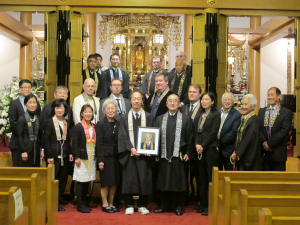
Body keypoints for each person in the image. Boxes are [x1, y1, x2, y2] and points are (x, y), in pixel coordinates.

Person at [154, 94, 193, 216]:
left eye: (174, 101)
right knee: (163, 181)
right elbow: (155, 138)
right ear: (166, 104)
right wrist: (156, 152)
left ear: (179, 103)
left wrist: (188, 153)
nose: (172, 103)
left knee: (178, 182)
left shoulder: (186, 119)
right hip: (164, 155)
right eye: (169, 101)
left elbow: (190, 138)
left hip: (179, 156)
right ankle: (164, 205)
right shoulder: (160, 119)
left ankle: (178, 206)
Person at [118, 90, 154, 215]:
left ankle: (143, 204)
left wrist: (149, 150)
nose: (137, 101)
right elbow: (122, 135)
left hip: (144, 155)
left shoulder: (148, 117)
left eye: (139, 99)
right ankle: (129, 204)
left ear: (142, 101)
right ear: (130, 101)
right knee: (128, 180)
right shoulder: (124, 117)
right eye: (134, 99)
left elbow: (152, 135)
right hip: (129, 154)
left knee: (144, 179)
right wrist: (130, 148)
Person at [44, 99, 73, 212]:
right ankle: (53, 202)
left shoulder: (66, 122)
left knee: (63, 179)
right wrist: (49, 155)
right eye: (57, 108)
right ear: (54, 109)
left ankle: (59, 198)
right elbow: (46, 140)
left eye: (62, 108)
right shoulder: (49, 122)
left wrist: (70, 152)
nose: (59, 110)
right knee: (54, 180)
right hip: (54, 157)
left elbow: (68, 140)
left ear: (65, 109)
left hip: (64, 156)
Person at [195, 92, 221, 215]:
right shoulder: (199, 113)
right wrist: (197, 144)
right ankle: (202, 202)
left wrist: (202, 146)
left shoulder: (216, 114)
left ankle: (210, 205)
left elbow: (213, 133)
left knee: (210, 178)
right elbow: (195, 131)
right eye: (202, 99)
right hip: (199, 148)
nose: (204, 101)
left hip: (210, 149)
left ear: (212, 101)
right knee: (201, 178)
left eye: (207, 99)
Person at [9, 79, 42, 166]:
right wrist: (25, 136)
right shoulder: (14, 103)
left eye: (29, 87)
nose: (27, 89)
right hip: (18, 142)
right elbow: (13, 123)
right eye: (25, 87)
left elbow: (38, 120)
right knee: (19, 171)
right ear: (19, 89)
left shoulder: (36, 104)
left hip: (33, 144)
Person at [258, 87, 292, 171]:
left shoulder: (286, 112)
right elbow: (258, 129)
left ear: (279, 96)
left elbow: (284, 131)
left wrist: (270, 143)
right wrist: (265, 143)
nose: (270, 97)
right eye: (268, 95)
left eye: (272, 95)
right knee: (264, 180)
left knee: (278, 181)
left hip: (278, 152)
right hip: (264, 152)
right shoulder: (262, 111)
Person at [96, 99, 121, 213]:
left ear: (116, 110)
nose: (111, 110)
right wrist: (100, 160)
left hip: (116, 156)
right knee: (106, 182)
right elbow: (99, 144)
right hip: (105, 157)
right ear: (104, 110)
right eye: (108, 108)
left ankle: (111, 202)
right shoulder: (100, 124)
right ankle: (105, 203)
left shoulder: (118, 122)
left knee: (115, 181)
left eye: (112, 108)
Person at [72, 104, 97, 213]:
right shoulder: (78, 126)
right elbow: (74, 143)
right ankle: (80, 204)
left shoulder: (94, 126)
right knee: (81, 181)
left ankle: (85, 201)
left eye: (90, 112)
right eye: (85, 112)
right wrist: (76, 156)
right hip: (82, 157)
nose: (88, 114)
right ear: (82, 113)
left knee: (88, 180)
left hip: (91, 156)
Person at [180, 84, 202, 203]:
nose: (191, 94)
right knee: (186, 173)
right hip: (186, 145)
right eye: (190, 92)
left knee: (198, 174)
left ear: (199, 94)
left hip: (198, 146)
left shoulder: (203, 108)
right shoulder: (183, 108)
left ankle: (198, 197)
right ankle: (186, 195)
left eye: (194, 92)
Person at [230, 94, 262, 171]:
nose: (243, 107)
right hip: (243, 155)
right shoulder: (246, 118)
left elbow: (248, 138)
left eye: (246, 104)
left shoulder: (254, 120)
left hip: (249, 157)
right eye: (242, 104)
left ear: (253, 106)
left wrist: (237, 153)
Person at [15, 93, 42, 167]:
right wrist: (23, 151)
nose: (32, 105)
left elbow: (41, 135)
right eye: (30, 102)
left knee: (36, 172)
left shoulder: (38, 118)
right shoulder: (22, 118)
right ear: (25, 104)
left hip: (35, 148)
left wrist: (42, 149)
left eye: (34, 102)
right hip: (25, 147)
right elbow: (19, 136)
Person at [217, 92, 241, 171]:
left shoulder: (237, 114)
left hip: (228, 149)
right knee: (216, 174)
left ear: (233, 101)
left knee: (228, 175)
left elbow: (234, 132)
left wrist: (219, 142)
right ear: (221, 100)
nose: (227, 102)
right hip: (215, 150)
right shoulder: (216, 111)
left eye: (229, 100)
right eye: (225, 99)